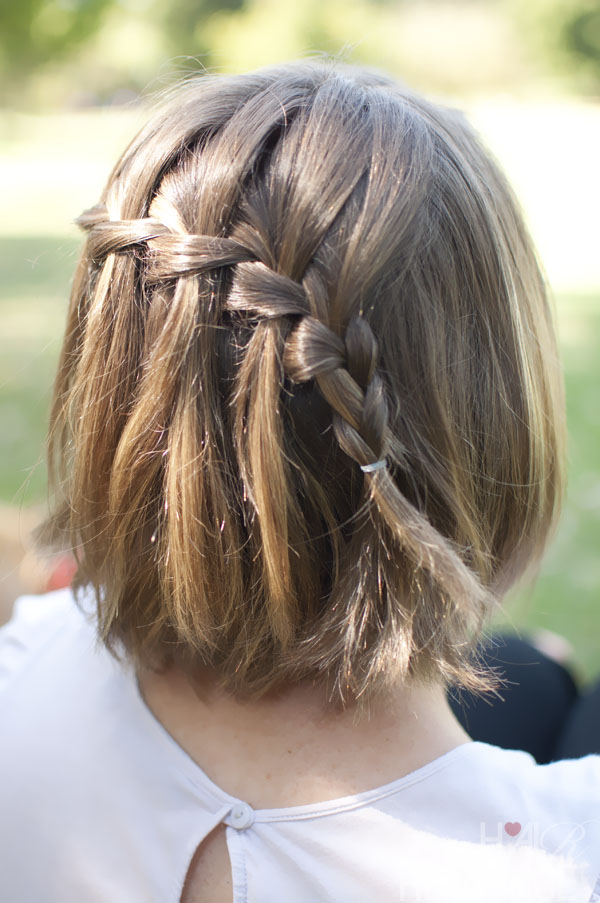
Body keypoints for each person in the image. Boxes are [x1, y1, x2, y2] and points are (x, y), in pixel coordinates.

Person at [1, 59, 599, 903]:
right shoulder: (563, 863)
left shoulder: (24, 667)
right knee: (551, 686)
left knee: (531, 676)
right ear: (498, 412)